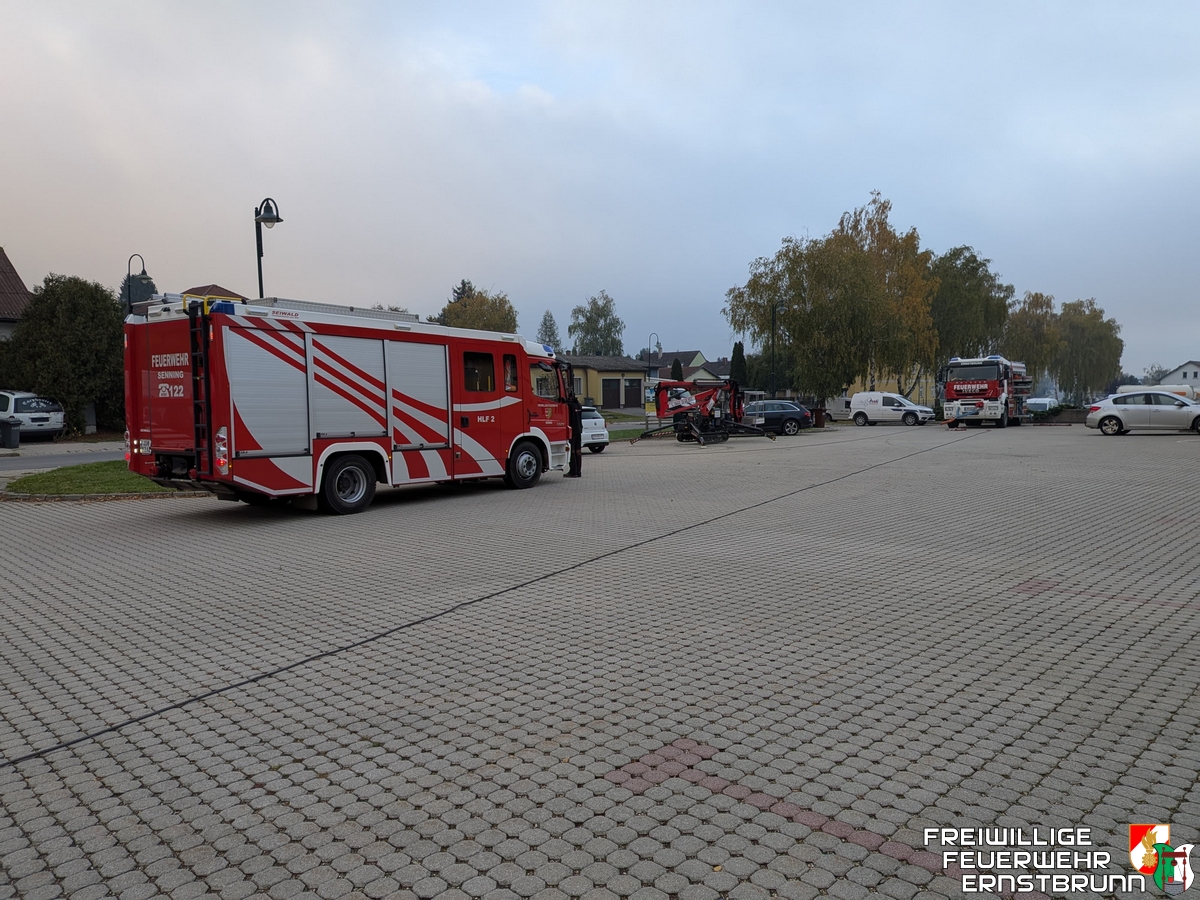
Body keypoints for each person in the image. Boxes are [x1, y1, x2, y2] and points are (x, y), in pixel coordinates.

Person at [566, 393, 583, 478]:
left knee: (572, 451)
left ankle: (573, 471)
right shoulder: (579, 405)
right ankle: (578, 471)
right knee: (578, 451)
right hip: (579, 430)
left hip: (572, 431)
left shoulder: (569, 405)